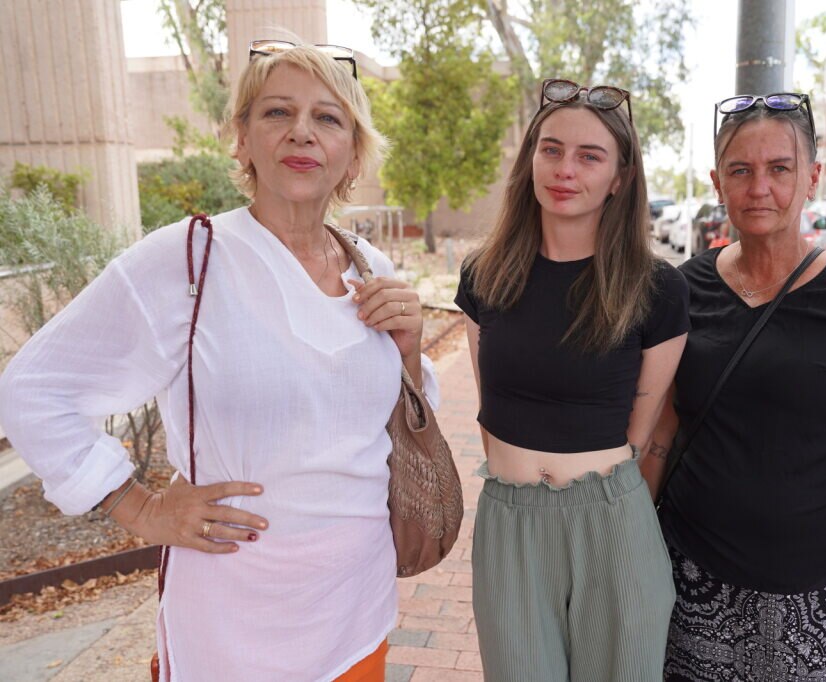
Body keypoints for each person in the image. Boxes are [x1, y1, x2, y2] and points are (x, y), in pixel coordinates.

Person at [0, 42, 439, 682]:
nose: (301, 133)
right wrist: (139, 507)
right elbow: (32, 390)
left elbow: (392, 416)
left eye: (328, 118)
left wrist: (409, 349)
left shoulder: (373, 268)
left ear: (353, 151)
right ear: (241, 138)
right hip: (234, 627)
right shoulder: (189, 259)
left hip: (356, 611)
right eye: (277, 112)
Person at [643, 93, 826, 682]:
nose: (758, 187)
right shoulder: (681, 290)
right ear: (718, 183)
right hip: (691, 589)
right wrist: (621, 558)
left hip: (818, 605)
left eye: (779, 168)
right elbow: (660, 436)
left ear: (813, 177)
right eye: (740, 170)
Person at [454, 78, 690, 682]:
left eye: (590, 156)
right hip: (510, 521)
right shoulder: (484, 276)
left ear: (619, 178)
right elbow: (490, 412)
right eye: (551, 149)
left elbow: (636, 432)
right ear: (530, 159)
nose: (565, 169)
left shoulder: (656, 290)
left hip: (610, 522)